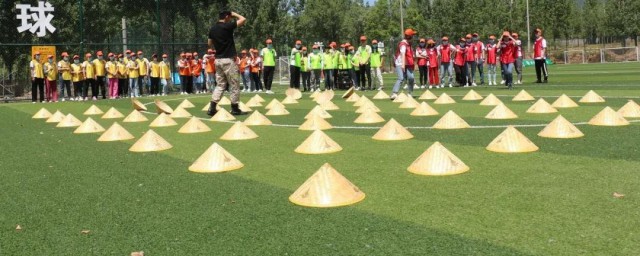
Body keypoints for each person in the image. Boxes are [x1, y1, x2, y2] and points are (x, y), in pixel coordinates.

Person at [207, 10, 247, 116]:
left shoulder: (213, 29)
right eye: (229, 17)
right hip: (229, 61)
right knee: (234, 84)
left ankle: (212, 107)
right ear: (226, 16)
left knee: (220, 85)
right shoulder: (227, 26)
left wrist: (218, 47)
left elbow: (209, 43)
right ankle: (234, 108)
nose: (231, 18)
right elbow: (243, 19)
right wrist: (235, 14)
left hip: (218, 60)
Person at [391, 28, 416, 100]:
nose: (413, 37)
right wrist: (403, 65)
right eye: (413, 35)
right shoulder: (403, 44)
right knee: (401, 78)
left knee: (411, 78)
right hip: (400, 63)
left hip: (408, 64)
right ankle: (394, 93)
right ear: (410, 36)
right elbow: (403, 54)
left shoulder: (409, 44)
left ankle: (410, 93)